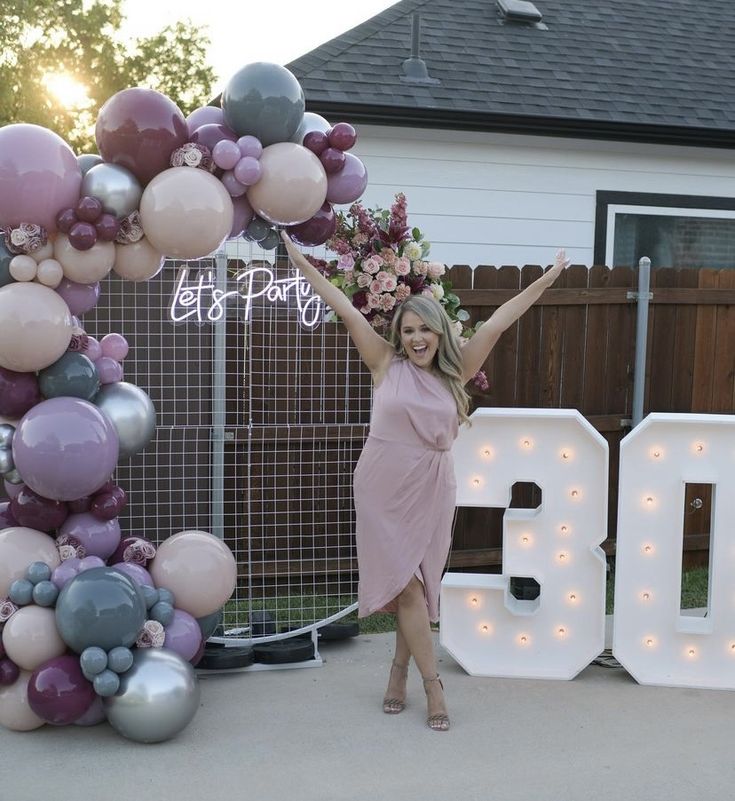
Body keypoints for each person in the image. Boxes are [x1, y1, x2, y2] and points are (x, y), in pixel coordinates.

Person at [282, 231, 569, 732]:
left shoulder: (456, 374)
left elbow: (501, 320)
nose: (416, 338)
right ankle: (434, 686)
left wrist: (546, 279)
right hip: (381, 485)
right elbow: (345, 309)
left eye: (424, 330)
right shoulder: (383, 364)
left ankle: (397, 674)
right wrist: (299, 261)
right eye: (407, 330)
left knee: (415, 583)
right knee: (408, 588)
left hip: (434, 484)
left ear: (440, 333)